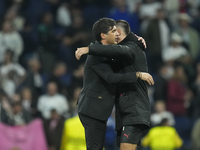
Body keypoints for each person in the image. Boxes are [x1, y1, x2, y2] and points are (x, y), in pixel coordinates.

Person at [76, 18, 154, 150]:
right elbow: (111, 77)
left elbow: (123, 50)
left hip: (134, 110)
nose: (116, 34)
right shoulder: (98, 53)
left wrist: (135, 39)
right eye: (113, 31)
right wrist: (138, 75)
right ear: (103, 35)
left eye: (117, 32)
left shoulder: (129, 49)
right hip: (94, 109)